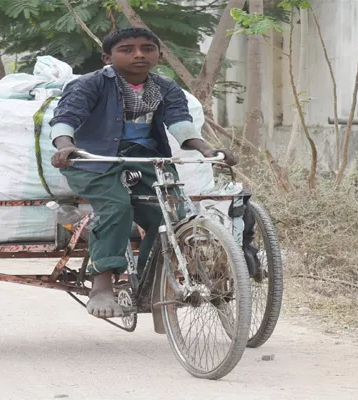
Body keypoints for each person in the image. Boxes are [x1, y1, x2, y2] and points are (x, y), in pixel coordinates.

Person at [49, 27, 246, 319]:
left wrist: (207, 150)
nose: (139, 54)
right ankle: (102, 283)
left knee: (172, 214)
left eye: (147, 48)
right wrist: (65, 147)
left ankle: (151, 281)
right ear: (107, 57)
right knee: (117, 207)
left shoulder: (165, 87)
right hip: (95, 162)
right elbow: (65, 119)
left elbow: (180, 123)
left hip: (147, 161)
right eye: (127, 49)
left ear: (159, 54)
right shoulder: (90, 85)